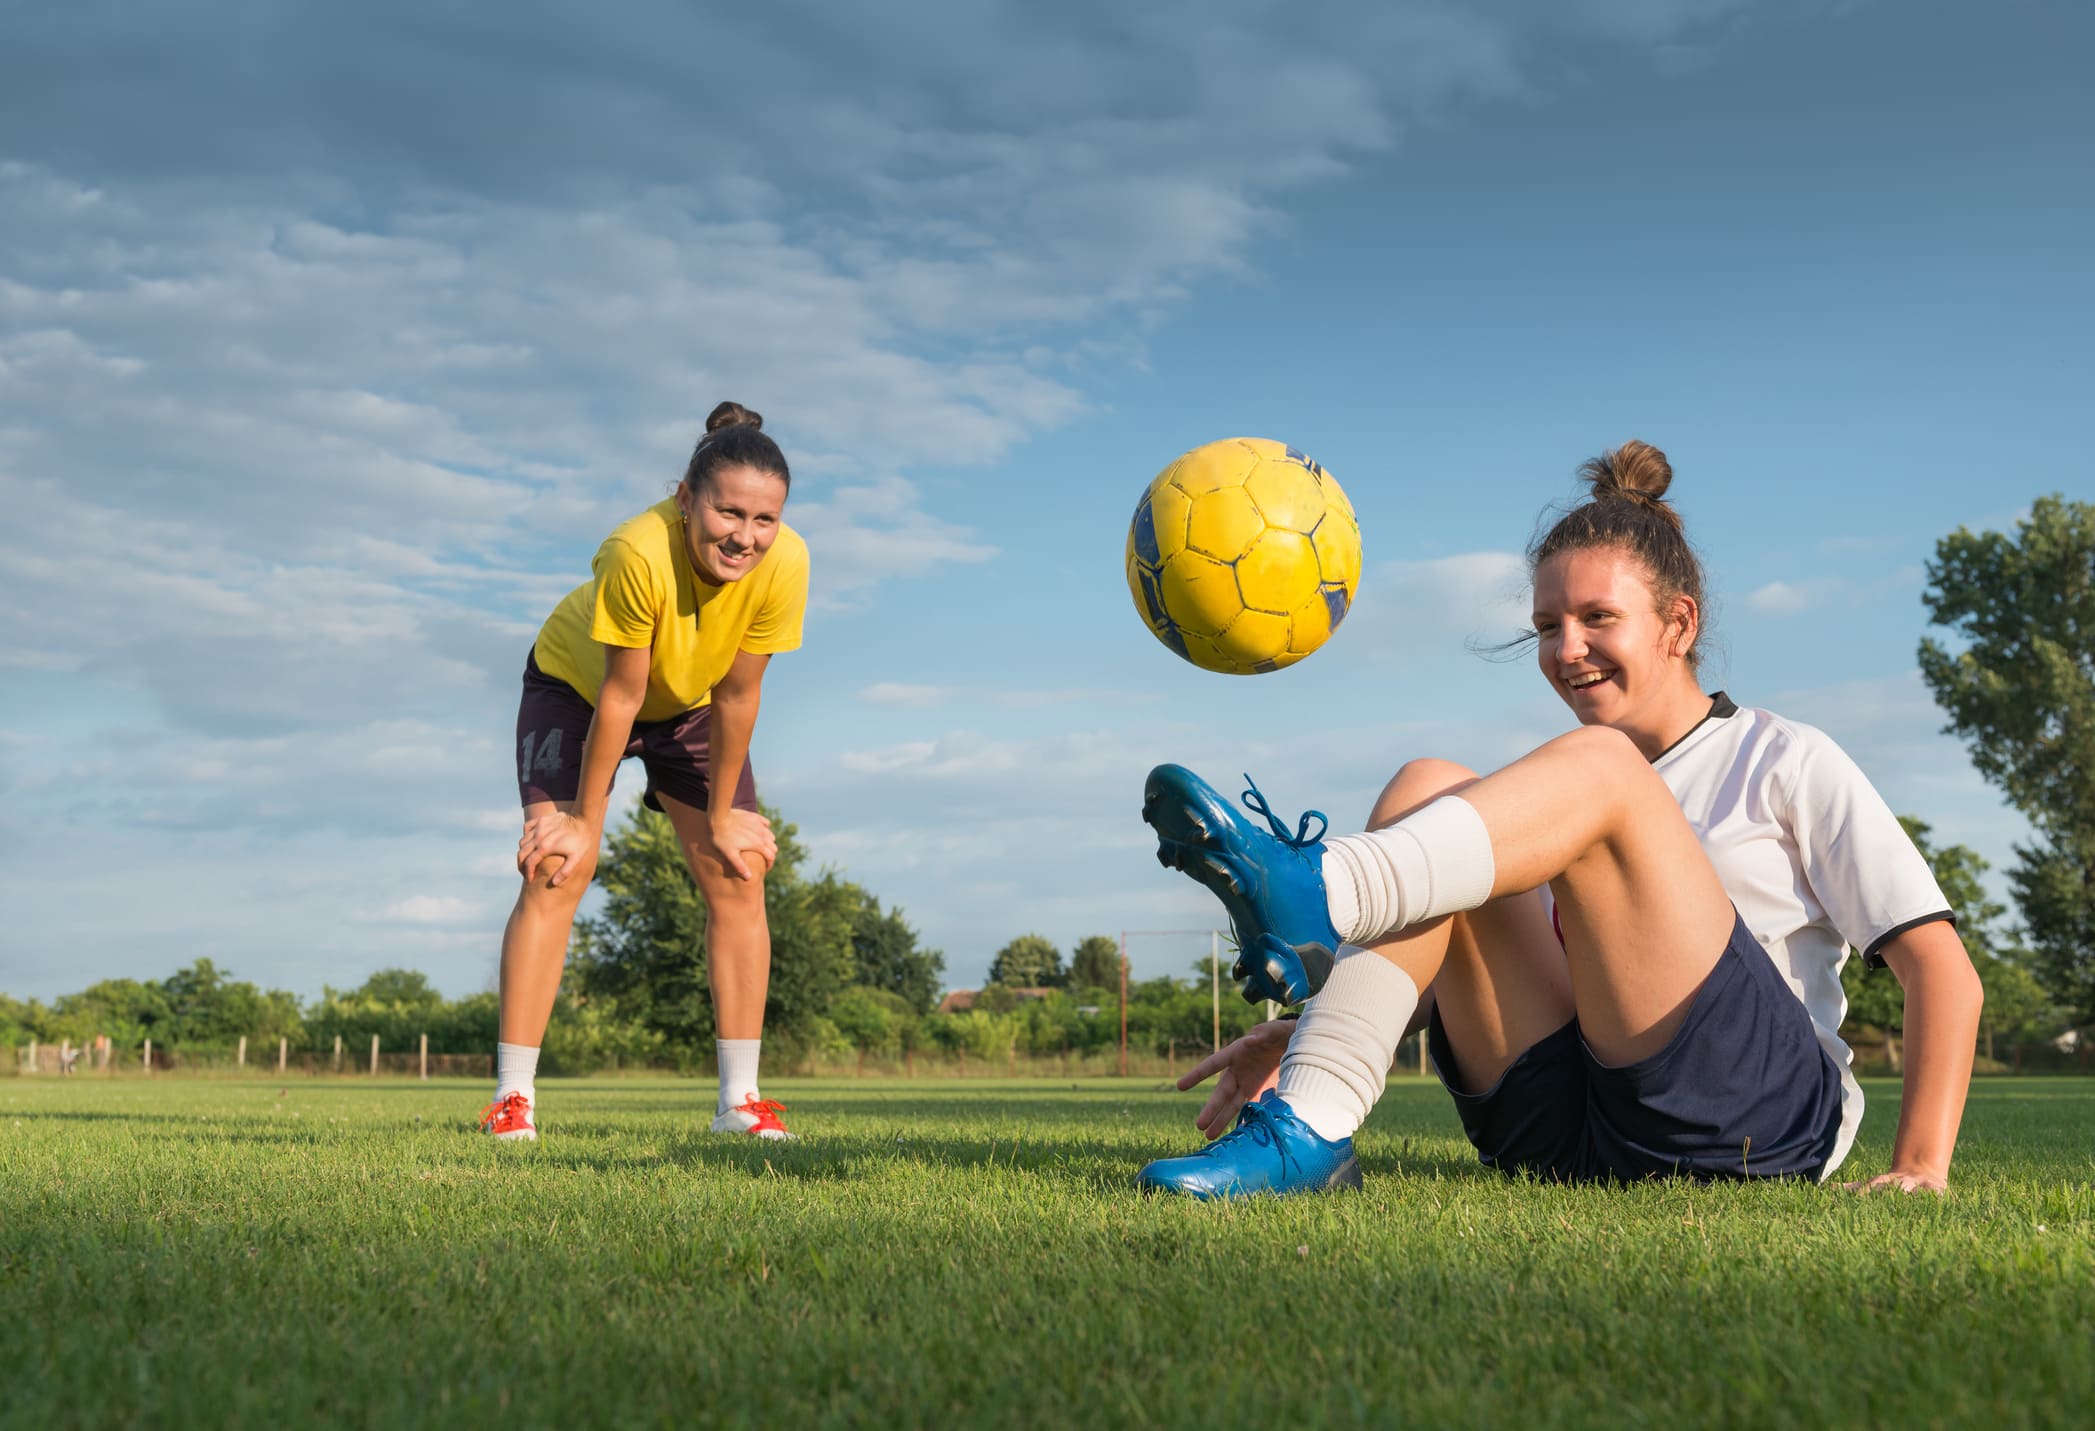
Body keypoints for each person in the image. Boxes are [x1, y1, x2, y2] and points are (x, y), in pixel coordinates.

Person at [1136, 441, 1982, 1196]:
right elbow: (1442, 986)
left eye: (1596, 619)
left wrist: (1919, 1164)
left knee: (1600, 771)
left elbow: (1940, 969)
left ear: (1678, 622)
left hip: (1744, 1127)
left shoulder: (1782, 757)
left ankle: (1325, 886)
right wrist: (1302, 1033)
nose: (1565, 647)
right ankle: (1310, 1124)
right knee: (1431, 785)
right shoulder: (1556, 790)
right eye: (1547, 625)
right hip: (1566, 1125)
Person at [479, 401, 809, 1143]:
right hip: (579, 689)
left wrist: (723, 815)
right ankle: (513, 1099)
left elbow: (739, 691)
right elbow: (622, 694)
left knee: (742, 865)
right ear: (686, 498)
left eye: (765, 519)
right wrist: (581, 824)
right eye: (728, 512)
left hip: (690, 701)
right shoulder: (636, 551)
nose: (746, 536)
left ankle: (740, 1102)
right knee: (557, 867)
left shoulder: (786, 561)